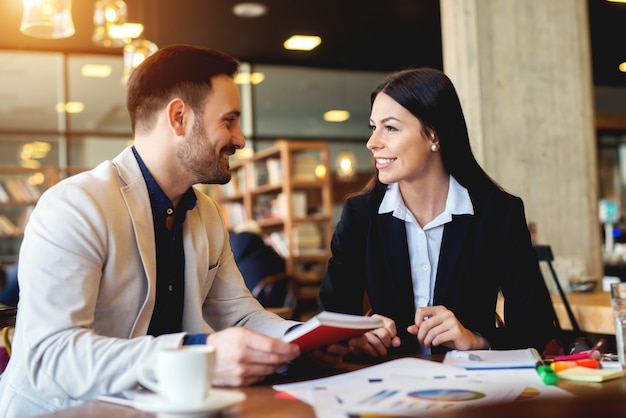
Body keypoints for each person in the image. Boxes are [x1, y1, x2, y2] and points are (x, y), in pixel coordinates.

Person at [0, 45, 358, 417]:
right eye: (229, 120)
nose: (240, 140)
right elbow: (53, 356)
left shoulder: (207, 213)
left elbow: (239, 316)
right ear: (179, 118)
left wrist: (301, 341)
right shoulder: (74, 206)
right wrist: (197, 354)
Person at [319, 68, 557, 356]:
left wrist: (476, 340)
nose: (372, 142)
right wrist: (358, 335)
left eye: (390, 128)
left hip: (474, 390)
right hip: (387, 388)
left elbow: (537, 328)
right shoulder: (360, 215)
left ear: (433, 134)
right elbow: (329, 325)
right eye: (373, 127)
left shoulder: (497, 213)